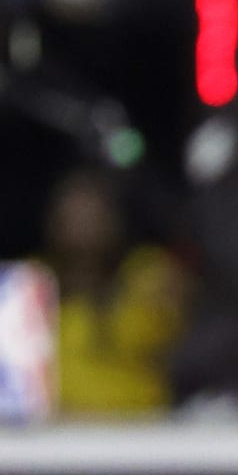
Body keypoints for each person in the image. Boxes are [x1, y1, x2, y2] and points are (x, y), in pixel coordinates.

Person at [35, 168, 189, 416]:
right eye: (73, 215)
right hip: (55, 434)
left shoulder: (149, 271)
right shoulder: (34, 282)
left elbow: (154, 329)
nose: (84, 225)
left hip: (138, 432)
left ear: (116, 219)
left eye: (94, 213)